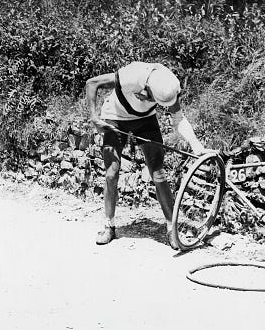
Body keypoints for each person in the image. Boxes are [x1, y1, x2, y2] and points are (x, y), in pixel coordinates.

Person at [85, 61, 208, 249]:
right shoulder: (131, 76)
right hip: (115, 118)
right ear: (147, 88)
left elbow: (179, 119)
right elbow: (92, 83)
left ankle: (171, 228)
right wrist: (94, 118)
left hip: (145, 120)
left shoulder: (169, 85)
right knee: (112, 173)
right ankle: (109, 225)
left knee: (159, 174)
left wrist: (196, 145)